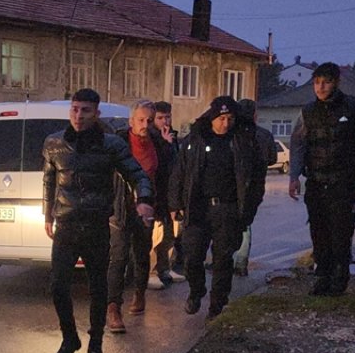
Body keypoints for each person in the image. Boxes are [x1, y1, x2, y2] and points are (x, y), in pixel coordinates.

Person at [43, 88, 154, 353]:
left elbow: (137, 174)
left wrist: (144, 200)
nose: (79, 116)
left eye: (85, 110)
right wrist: (47, 215)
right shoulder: (54, 143)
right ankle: (70, 338)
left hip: (95, 225)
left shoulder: (111, 145)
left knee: (98, 288)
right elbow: (49, 180)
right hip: (66, 224)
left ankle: (95, 346)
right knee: (58, 286)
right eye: (75, 109)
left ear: (97, 114)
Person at [168, 96, 265, 319]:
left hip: (228, 209)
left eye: (230, 118)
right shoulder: (196, 139)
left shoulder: (244, 141)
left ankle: (217, 305)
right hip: (198, 208)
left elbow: (257, 179)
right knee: (192, 256)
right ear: (212, 118)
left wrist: (248, 211)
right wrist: (175, 203)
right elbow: (179, 172)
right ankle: (196, 290)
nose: (225, 123)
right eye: (221, 118)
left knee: (223, 260)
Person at [287, 62, 355, 296]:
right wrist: (294, 176)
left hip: (344, 182)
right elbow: (297, 144)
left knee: (341, 230)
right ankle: (322, 276)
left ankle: (340, 276)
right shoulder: (307, 112)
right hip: (316, 181)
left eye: (326, 82)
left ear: (336, 82)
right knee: (319, 231)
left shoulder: (354, 108)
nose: (320, 87)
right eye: (317, 82)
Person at [105, 99, 174, 332]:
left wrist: (166, 207)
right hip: (121, 207)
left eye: (149, 120)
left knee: (142, 254)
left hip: (148, 207)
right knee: (118, 257)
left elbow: (167, 175)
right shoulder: (118, 142)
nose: (145, 124)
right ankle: (113, 308)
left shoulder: (159, 143)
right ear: (131, 121)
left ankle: (139, 293)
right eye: (141, 120)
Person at [232, 99, 278, 277]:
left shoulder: (234, 134)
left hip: (235, 185)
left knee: (230, 222)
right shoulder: (264, 135)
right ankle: (241, 262)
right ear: (255, 115)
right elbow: (273, 159)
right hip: (256, 186)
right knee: (246, 224)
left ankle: (227, 260)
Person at [151, 101, 183, 285]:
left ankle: (166, 269)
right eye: (160, 118)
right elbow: (159, 166)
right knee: (157, 235)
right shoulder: (153, 138)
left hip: (170, 195)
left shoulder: (171, 136)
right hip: (157, 194)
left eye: (167, 117)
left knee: (170, 233)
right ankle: (153, 272)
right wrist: (166, 145)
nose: (165, 121)